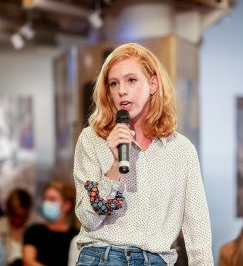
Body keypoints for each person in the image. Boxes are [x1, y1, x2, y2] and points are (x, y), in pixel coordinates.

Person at [73, 43, 213, 266]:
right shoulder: (92, 139)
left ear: (153, 84)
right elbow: (88, 217)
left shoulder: (181, 149)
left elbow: (198, 226)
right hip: (103, 257)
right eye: (114, 83)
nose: (122, 91)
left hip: (156, 260)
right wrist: (115, 165)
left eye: (131, 80)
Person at [23, 179, 79, 266]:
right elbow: (28, 262)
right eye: (45, 198)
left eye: (52, 199)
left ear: (67, 205)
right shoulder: (34, 231)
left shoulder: (77, 237)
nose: (46, 203)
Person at [0, 189, 32, 266]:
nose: (17, 220)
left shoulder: (35, 227)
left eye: (21, 215)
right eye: (13, 215)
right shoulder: (1, 225)